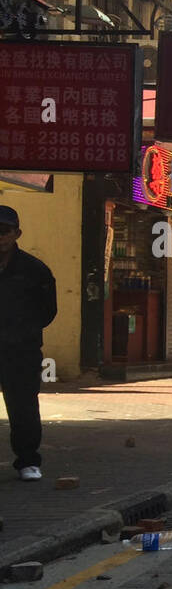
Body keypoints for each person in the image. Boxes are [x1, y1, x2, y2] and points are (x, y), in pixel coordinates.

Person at [0, 205, 57, 481]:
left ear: (16, 233)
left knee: (23, 407)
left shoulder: (34, 270)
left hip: (20, 350)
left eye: (4, 231)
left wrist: (22, 332)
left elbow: (48, 311)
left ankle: (28, 461)